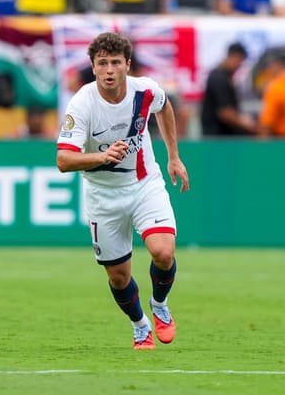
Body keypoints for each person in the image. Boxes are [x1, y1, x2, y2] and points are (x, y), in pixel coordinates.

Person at [56, 32, 190, 349]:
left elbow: (164, 107)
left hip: (144, 184)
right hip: (103, 196)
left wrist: (173, 156)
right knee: (118, 276)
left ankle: (159, 304)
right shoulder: (82, 104)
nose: (109, 70)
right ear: (93, 67)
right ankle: (140, 324)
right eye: (102, 63)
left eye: (115, 62)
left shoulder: (145, 90)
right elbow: (63, 160)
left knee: (163, 252)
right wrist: (101, 157)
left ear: (127, 65)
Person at [200, 42, 257, 136]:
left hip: (224, 136)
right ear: (234, 56)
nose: (239, 66)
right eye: (240, 61)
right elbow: (225, 113)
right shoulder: (218, 77)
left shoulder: (226, 76)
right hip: (217, 137)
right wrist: (251, 127)